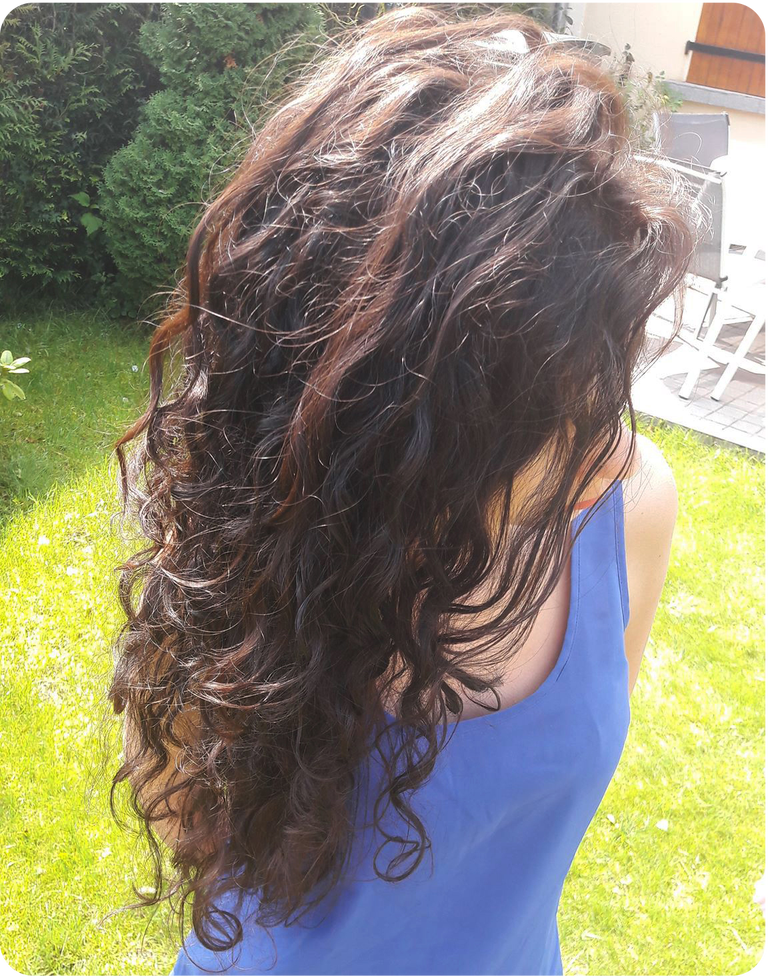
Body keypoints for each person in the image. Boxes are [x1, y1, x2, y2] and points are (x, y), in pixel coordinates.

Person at [108, 8, 694, 975]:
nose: (598, 446)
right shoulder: (253, 548)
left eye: (602, 375)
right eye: (547, 404)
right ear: (392, 422)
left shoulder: (632, 503)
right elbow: (189, 820)